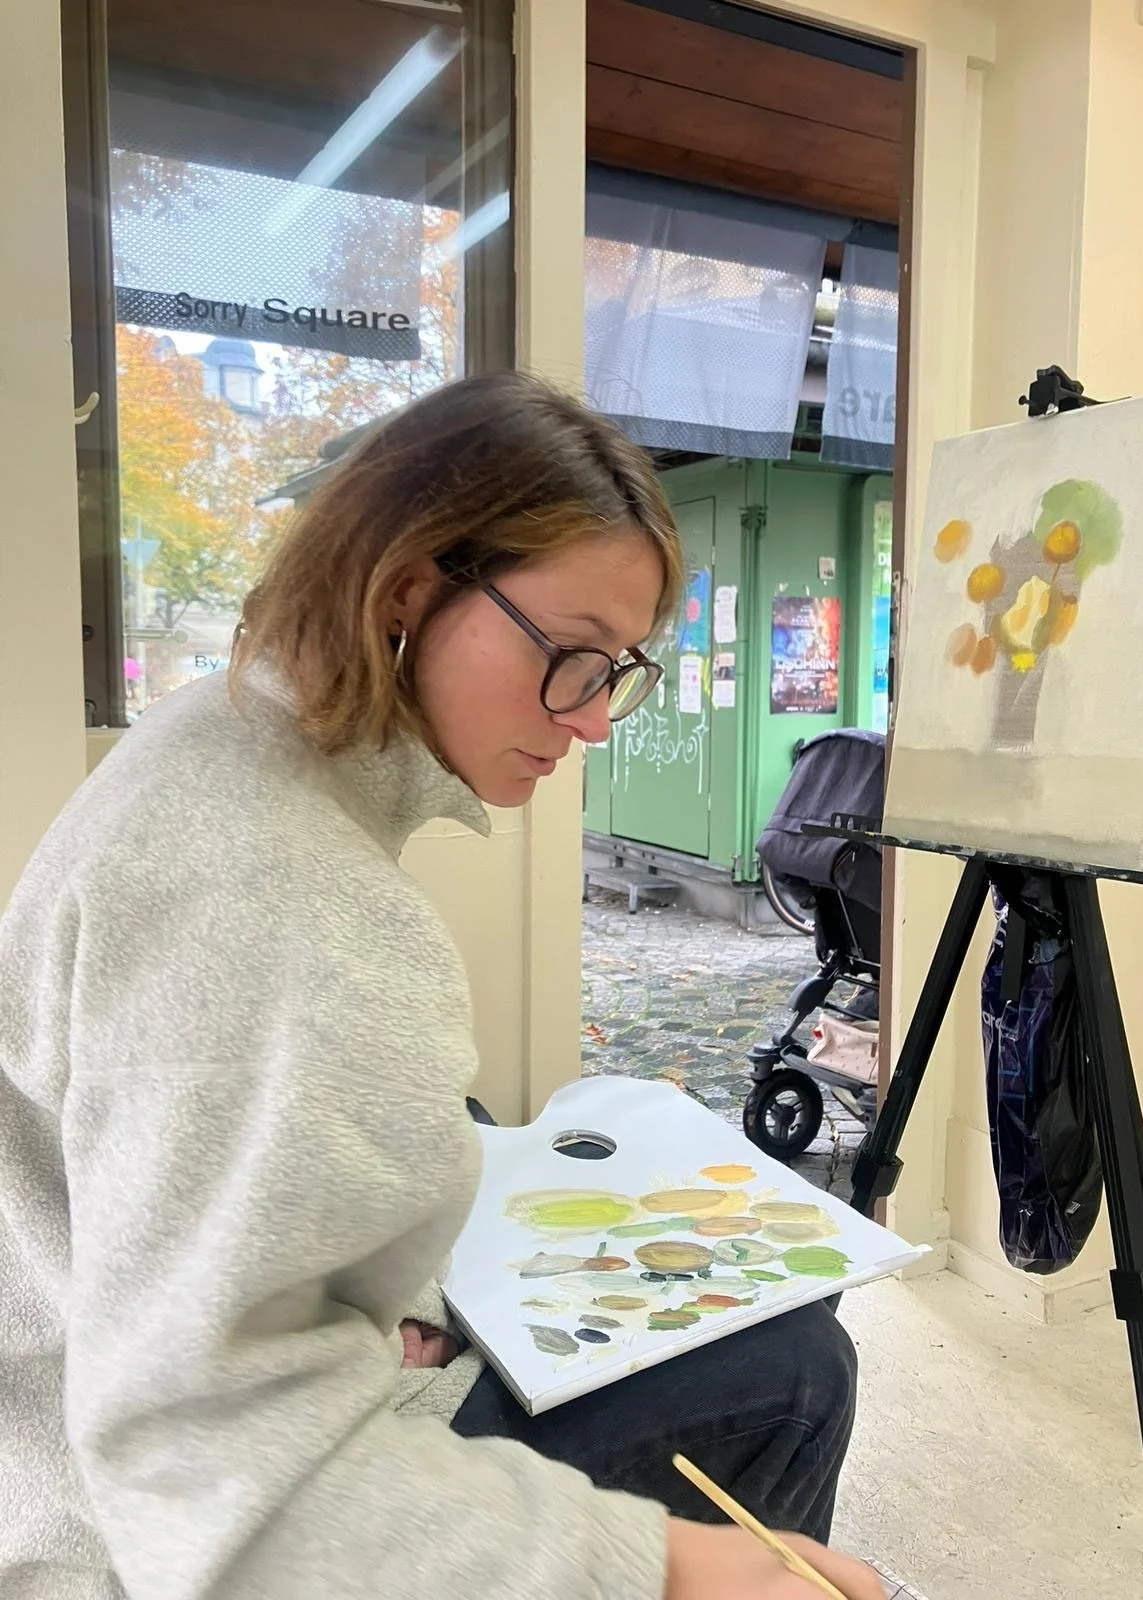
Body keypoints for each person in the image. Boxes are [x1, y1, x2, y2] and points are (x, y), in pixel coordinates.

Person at [0, 372, 878, 1600]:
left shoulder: (220, 738)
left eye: (618, 669)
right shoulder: (288, 901)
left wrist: (386, 1298)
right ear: (409, 588)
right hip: (107, 1536)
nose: (594, 722)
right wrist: (668, 1565)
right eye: (572, 657)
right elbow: (220, 1490)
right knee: (796, 1371)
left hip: (74, 1399)